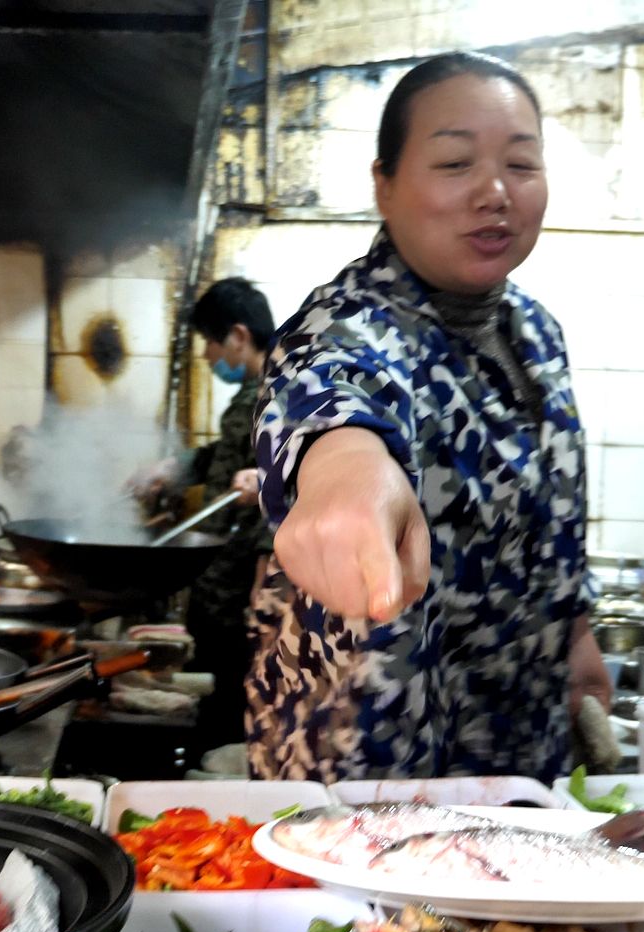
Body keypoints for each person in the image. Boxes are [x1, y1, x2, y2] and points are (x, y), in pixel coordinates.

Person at [245, 52, 611, 784]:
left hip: (514, 750)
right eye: (454, 163)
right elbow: (335, 399)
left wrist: (576, 629)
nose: (496, 192)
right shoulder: (343, 323)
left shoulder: (537, 333)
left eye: (521, 164)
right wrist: (346, 471)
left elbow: (555, 516)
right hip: (367, 761)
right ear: (384, 185)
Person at [134, 278, 278, 751]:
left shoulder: (284, 391)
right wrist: (178, 467)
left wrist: (262, 579)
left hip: (243, 585)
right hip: (222, 579)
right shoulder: (255, 393)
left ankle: (216, 786)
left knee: (235, 701)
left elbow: (289, 479)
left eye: (210, 342)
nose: (206, 355)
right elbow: (233, 455)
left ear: (237, 336)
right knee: (221, 688)